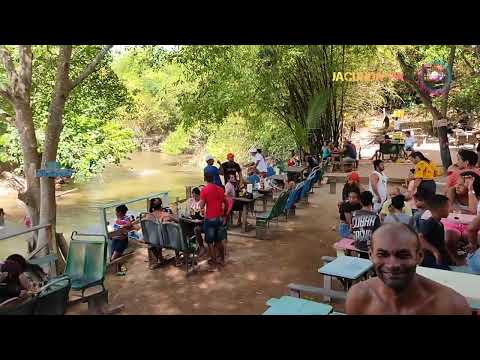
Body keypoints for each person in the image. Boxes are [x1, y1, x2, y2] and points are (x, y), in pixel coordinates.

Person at [346, 223, 471, 315]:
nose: (392, 265)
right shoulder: (360, 298)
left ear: (419, 256)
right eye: (382, 254)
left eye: (403, 255)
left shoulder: (452, 306)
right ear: (371, 256)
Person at [199, 173, 228, 271]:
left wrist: (201, 204)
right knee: (219, 240)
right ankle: (222, 260)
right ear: (214, 178)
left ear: (205, 179)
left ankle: (214, 265)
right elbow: (226, 202)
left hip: (210, 219)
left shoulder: (204, 190)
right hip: (219, 218)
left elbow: (202, 206)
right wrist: (224, 214)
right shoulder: (220, 189)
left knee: (210, 242)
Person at [417, 194, 452, 270]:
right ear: (441, 209)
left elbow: (442, 243)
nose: (450, 210)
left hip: (440, 257)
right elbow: (420, 238)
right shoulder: (430, 222)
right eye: (448, 207)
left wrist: (450, 256)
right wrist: (434, 251)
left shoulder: (440, 224)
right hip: (431, 259)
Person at [351, 191, 381, 255]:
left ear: (360, 202)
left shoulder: (354, 214)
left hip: (358, 245)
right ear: (371, 202)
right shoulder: (375, 216)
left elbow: (352, 231)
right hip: (370, 248)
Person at [185, 188, 207, 258]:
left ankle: (201, 247)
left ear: (199, 195)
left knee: (196, 229)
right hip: (193, 221)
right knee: (185, 227)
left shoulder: (203, 202)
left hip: (202, 223)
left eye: (196, 196)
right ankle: (191, 246)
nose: (195, 198)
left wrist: (201, 220)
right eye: (193, 196)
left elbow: (205, 215)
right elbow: (188, 212)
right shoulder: (191, 201)